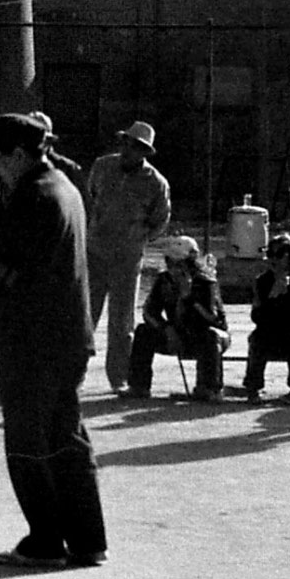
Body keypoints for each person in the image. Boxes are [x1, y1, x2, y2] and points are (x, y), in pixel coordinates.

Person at [0, 113, 108, 568]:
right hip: (66, 337)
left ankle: (45, 541)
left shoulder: (33, 197)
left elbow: (18, 274)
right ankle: (87, 540)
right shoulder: (64, 187)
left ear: (19, 155)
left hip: (32, 341)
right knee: (66, 439)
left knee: (26, 442)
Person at [85, 120, 173, 392]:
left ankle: (119, 378)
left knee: (122, 322)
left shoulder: (156, 183)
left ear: (145, 152)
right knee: (84, 316)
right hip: (95, 253)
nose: (128, 150)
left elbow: (160, 220)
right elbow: (90, 198)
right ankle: (70, 374)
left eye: (135, 147)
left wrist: (138, 237)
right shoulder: (102, 167)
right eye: (126, 143)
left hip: (127, 258)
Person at [124, 235, 229, 401]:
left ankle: (209, 388)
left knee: (210, 335)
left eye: (179, 263)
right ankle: (138, 386)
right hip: (176, 333)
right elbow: (149, 312)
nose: (173, 267)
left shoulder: (205, 282)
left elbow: (212, 318)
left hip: (206, 334)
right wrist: (166, 328)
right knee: (143, 331)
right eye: (169, 262)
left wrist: (189, 297)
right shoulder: (164, 280)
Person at [242, 231, 290, 403]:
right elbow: (257, 317)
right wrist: (272, 297)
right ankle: (253, 386)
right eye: (270, 254)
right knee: (257, 337)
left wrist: (287, 297)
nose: (273, 260)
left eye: (278, 255)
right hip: (272, 329)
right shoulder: (262, 281)